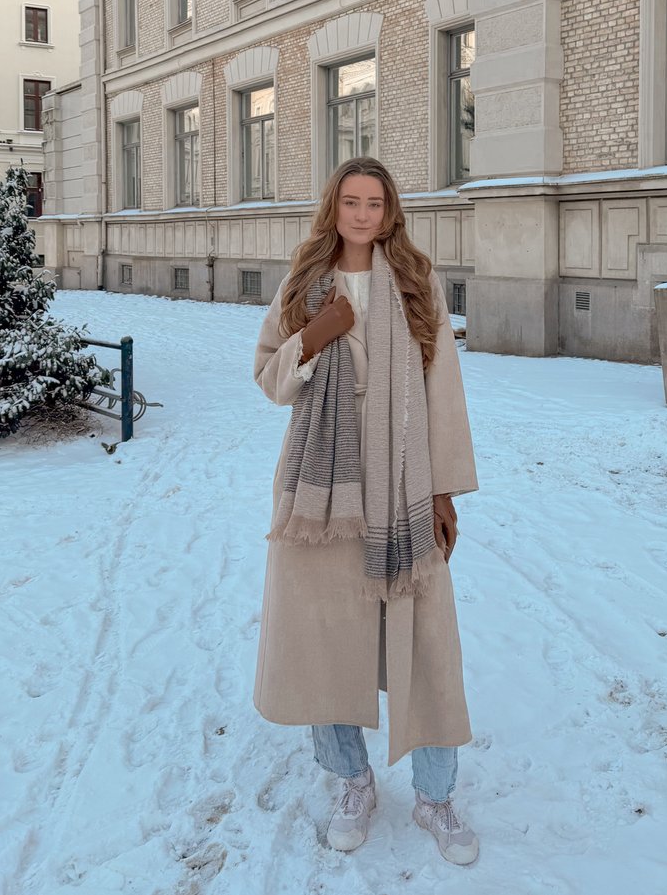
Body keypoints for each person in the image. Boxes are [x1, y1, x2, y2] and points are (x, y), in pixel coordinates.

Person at [253, 157, 479, 865]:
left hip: (404, 481)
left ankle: (436, 794)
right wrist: (317, 331)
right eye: (350, 201)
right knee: (324, 639)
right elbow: (269, 376)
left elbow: (443, 385)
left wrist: (443, 487)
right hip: (323, 496)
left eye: (374, 202)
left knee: (426, 638)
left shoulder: (416, 280)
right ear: (334, 207)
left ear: (390, 211)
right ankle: (352, 778)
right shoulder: (304, 281)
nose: (361, 213)